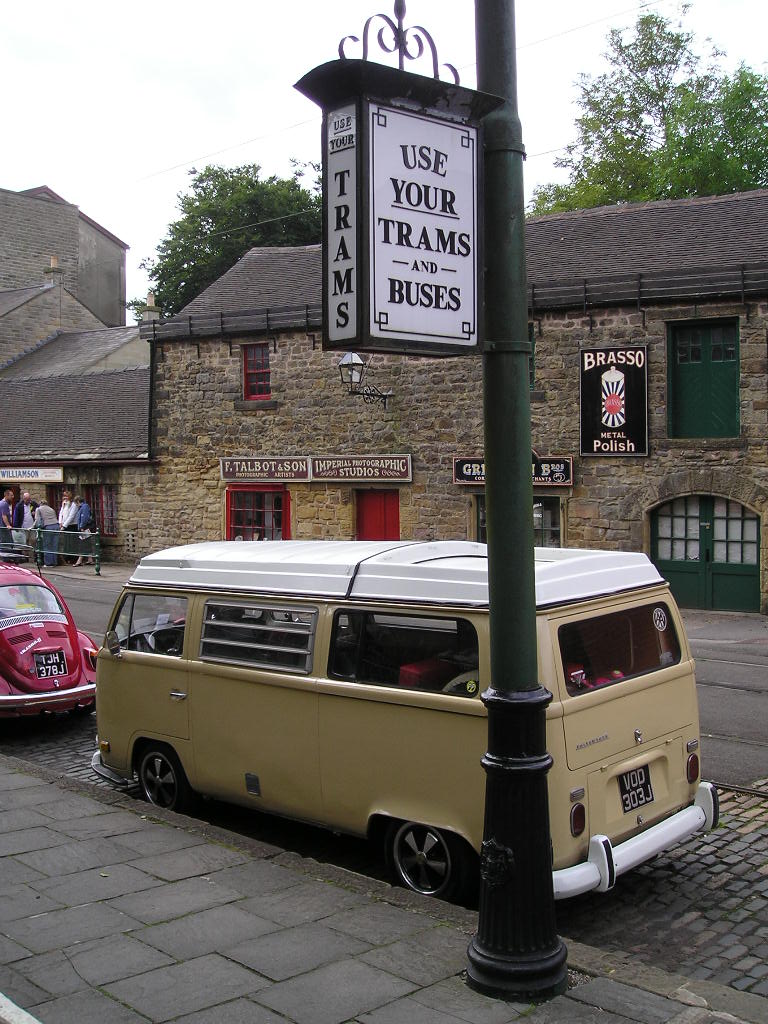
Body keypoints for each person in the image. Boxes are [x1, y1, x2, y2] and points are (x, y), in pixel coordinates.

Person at [34, 498, 60, 567]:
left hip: (48, 527)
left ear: (40, 504)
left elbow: (37, 520)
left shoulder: (38, 509)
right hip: (56, 526)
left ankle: (48, 563)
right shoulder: (51, 509)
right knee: (54, 545)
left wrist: (34, 527)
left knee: (47, 545)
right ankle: (54, 562)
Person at [73, 496, 95, 566]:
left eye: (75, 503)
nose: (75, 505)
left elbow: (84, 517)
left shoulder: (84, 507)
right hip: (84, 527)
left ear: (78, 501)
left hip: (85, 528)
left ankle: (79, 560)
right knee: (87, 543)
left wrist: (82, 527)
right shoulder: (82, 507)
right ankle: (90, 559)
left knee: (83, 543)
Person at [58, 490, 78, 563]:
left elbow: (71, 516)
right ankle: (67, 557)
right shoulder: (64, 504)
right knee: (66, 543)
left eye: (66, 496)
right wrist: (60, 522)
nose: (65, 498)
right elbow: (61, 513)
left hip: (72, 525)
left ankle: (73, 558)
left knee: (72, 543)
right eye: (64, 496)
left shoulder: (73, 505)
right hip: (65, 526)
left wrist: (64, 525)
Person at [0, 489, 13, 554]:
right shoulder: (4, 504)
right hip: (4, 528)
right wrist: (8, 525)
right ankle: (6, 558)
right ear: (7, 495)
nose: (13, 497)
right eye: (11, 495)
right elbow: (4, 515)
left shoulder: (1, 503)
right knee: (7, 544)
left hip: (2, 527)